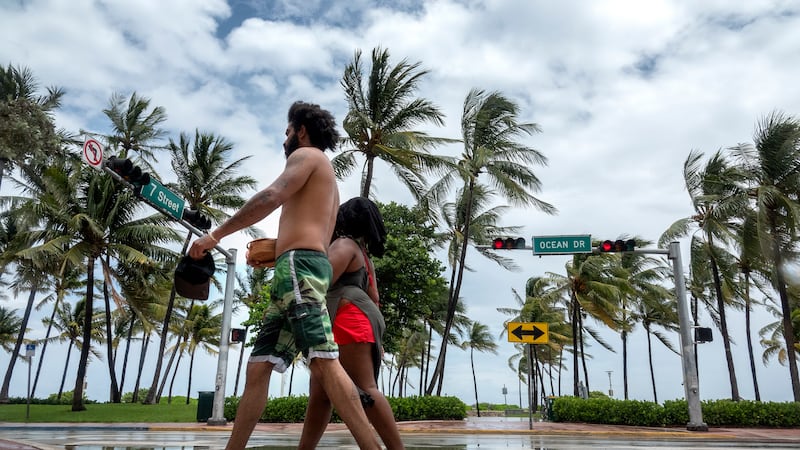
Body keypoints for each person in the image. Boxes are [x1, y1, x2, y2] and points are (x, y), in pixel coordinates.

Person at [188, 101, 381, 450]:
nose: (285, 138)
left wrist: (215, 236)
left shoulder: (307, 155)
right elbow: (313, 233)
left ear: (301, 131)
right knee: (259, 367)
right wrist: (278, 252)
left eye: (288, 131)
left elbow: (271, 195)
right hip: (299, 267)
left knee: (324, 360)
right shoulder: (326, 177)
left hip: (298, 267)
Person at [298, 197, 405, 450]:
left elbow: (319, 282)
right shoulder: (363, 255)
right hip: (358, 320)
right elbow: (374, 297)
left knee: (366, 388)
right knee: (320, 395)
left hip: (346, 320)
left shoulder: (344, 245)